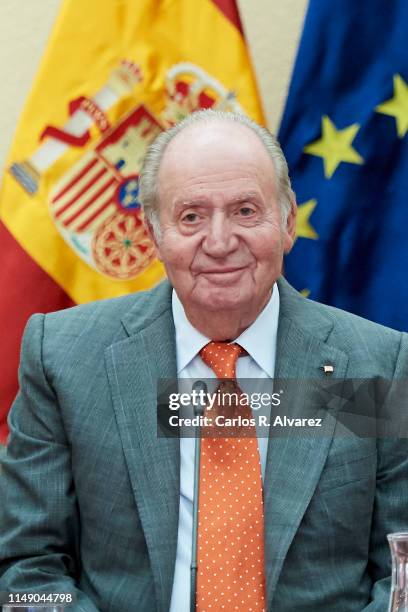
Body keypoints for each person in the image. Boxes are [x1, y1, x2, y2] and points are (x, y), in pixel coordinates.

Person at [0, 109, 407, 612]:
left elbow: (402, 573)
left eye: (245, 211)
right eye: (191, 216)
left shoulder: (376, 365)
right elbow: (24, 565)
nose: (219, 242)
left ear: (286, 223)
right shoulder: (64, 357)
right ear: (153, 235)